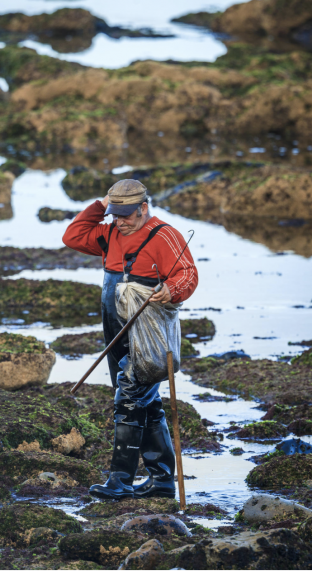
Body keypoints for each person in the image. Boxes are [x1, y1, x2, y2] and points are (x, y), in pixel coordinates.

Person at [63, 179, 198, 500]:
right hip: (115, 326)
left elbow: (188, 274)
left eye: (127, 215)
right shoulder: (109, 232)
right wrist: (102, 204)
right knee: (144, 400)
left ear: (144, 208)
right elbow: (72, 236)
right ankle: (163, 479)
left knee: (129, 398)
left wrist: (171, 290)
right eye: (115, 214)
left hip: (148, 328)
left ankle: (120, 479)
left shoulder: (164, 235)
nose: (121, 222)